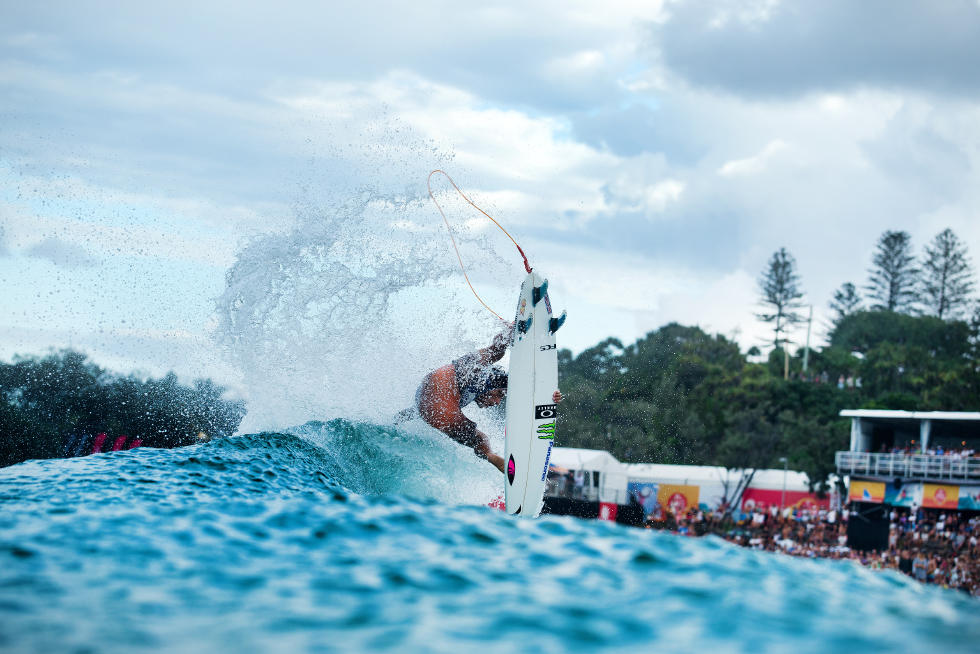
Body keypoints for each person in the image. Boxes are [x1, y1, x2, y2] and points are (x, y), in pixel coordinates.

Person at [411, 324, 562, 474]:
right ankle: (491, 456)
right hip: (440, 392)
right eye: (498, 396)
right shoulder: (488, 377)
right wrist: (547, 393)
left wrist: (547, 395)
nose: (496, 402)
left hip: (429, 401)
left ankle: (493, 457)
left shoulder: (473, 380)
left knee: (480, 438)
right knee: (495, 356)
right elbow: (521, 384)